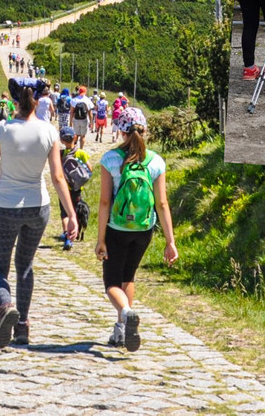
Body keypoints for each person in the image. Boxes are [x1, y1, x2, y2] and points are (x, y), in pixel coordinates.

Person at [0, 78, 78, 348]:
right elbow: (58, 176)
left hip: (6, 207)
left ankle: (6, 306)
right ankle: (22, 326)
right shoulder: (49, 132)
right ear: (38, 101)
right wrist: (71, 213)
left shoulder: (1, 129)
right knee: (25, 265)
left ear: (15, 101)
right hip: (39, 207)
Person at [95, 107, 177, 351]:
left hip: (117, 228)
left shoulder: (110, 159)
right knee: (128, 276)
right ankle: (122, 329)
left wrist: (101, 240)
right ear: (145, 129)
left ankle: (127, 313)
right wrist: (170, 241)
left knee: (111, 282)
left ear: (121, 131)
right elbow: (162, 203)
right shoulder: (156, 162)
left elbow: (105, 202)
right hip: (144, 230)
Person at [57, 126, 91, 251]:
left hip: (64, 188)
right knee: (74, 211)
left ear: (62, 140)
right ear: (75, 137)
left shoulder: (61, 153)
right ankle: (72, 238)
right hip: (77, 189)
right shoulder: (81, 153)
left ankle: (66, 234)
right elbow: (90, 169)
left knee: (64, 213)